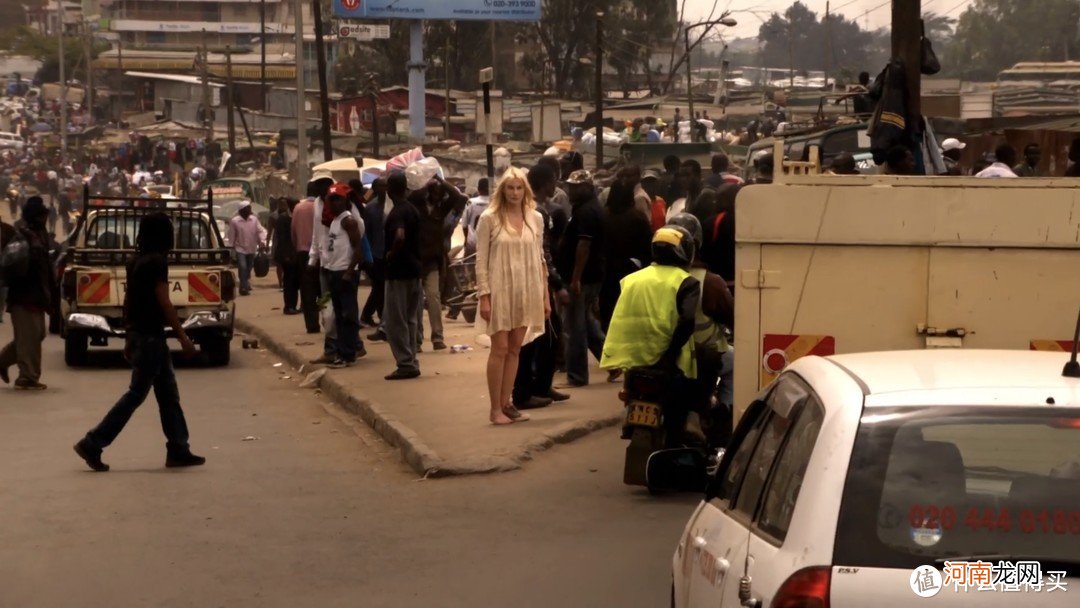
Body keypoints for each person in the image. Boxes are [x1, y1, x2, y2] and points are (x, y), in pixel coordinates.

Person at [73, 213, 205, 472]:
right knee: (137, 394)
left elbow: (128, 301)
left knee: (168, 394)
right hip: (152, 337)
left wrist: (128, 336)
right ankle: (93, 442)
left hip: (142, 334)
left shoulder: (136, 261)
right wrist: (183, 337)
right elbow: (164, 302)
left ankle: (179, 447)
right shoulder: (157, 262)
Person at [600, 225, 701, 439]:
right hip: (669, 362)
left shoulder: (631, 280)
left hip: (633, 360)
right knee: (681, 415)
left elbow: (616, 316)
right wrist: (669, 354)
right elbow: (687, 322)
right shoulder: (686, 282)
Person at [476, 167, 549, 425]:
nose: (515, 193)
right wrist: (484, 296)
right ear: (502, 190)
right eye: (510, 188)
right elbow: (481, 261)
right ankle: (494, 409)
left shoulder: (535, 218)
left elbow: (540, 259)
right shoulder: (489, 218)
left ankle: (507, 403)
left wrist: (545, 296)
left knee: (516, 348)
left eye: (519, 188)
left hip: (527, 288)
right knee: (500, 348)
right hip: (499, 289)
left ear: (525, 190)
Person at [667, 213, 735, 436]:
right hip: (701, 357)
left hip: (656, 355)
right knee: (735, 362)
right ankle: (724, 415)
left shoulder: (647, 278)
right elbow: (732, 317)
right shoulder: (710, 282)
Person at [512, 164, 570, 410]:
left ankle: (540, 386)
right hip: (536, 282)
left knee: (545, 335)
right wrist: (557, 284)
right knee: (537, 338)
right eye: (553, 180)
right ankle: (526, 393)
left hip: (531, 280)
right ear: (546, 182)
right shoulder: (536, 213)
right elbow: (542, 254)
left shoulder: (528, 209)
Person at [557, 170, 606, 387]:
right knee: (586, 321)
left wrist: (575, 278)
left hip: (583, 278)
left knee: (574, 327)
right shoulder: (585, 208)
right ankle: (613, 362)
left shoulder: (587, 211)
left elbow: (584, 245)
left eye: (576, 187)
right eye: (570, 186)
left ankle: (577, 376)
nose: (571, 190)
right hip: (589, 275)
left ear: (587, 187)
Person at [308, 178, 364, 365]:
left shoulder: (349, 220)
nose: (331, 202)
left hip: (344, 272)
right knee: (332, 311)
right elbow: (318, 237)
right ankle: (337, 350)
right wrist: (314, 259)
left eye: (336, 199)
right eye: (330, 199)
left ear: (344, 200)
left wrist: (349, 271)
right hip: (329, 270)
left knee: (347, 314)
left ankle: (348, 351)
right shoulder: (328, 217)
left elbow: (358, 248)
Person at [0, 197, 52, 390]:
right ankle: (27, 377)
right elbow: (14, 268)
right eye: (42, 215)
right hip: (24, 297)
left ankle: (3, 361)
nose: (45, 218)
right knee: (29, 336)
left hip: (36, 295)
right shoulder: (24, 237)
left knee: (36, 335)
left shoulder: (39, 236)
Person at [415, 176, 467, 351]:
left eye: (441, 193)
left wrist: (439, 179)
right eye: (435, 192)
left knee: (433, 298)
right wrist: (426, 184)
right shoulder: (417, 206)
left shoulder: (441, 210)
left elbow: (457, 196)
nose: (439, 196)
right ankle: (417, 339)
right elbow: (413, 195)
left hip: (432, 261)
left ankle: (437, 337)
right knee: (415, 301)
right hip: (415, 260)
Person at [382, 172, 423, 380]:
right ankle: (411, 360)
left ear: (390, 189)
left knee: (395, 321)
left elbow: (399, 236)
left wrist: (391, 253)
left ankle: (405, 363)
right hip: (415, 270)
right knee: (410, 319)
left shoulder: (398, 212)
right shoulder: (413, 210)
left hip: (398, 272)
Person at [599, 180, 652, 335]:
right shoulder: (638, 217)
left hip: (607, 273)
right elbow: (647, 249)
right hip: (633, 272)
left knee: (609, 315)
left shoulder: (604, 217)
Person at [291, 181, 320, 333]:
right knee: (323, 288)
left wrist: (297, 248)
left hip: (303, 253)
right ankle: (326, 316)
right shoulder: (321, 207)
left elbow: (293, 232)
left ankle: (311, 324)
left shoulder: (298, 208)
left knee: (307, 289)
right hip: (321, 253)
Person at [361, 178, 390, 329]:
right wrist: (368, 255)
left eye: (386, 186)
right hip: (375, 254)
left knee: (382, 287)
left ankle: (380, 315)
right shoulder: (370, 208)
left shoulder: (391, 205)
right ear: (375, 189)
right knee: (379, 286)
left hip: (388, 252)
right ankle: (366, 314)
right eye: (381, 186)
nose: (384, 189)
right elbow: (366, 233)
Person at [226, 200, 267, 296]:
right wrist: (231, 247)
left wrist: (262, 241)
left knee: (248, 268)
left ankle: (245, 282)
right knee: (243, 267)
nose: (250, 210)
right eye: (248, 208)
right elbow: (231, 235)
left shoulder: (254, 219)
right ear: (242, 210)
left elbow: (260, 231)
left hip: (252, 248)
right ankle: (243, 288)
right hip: (240, 248)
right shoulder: (235, 221)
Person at [268, 197, 298, 314]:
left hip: (292, 254)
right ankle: (289, 306)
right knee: (289, 281)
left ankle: (292, 305)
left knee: (293, 281)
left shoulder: (291, 217)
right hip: (287, 255)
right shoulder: (283, 219)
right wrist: (286, 255)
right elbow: (282, 238)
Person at [460, 177, 490, 258]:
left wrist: (466, 240)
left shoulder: (471, 202)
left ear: (478, 189)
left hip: (473, 242)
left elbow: (464, 225)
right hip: (490, 242)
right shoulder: (495, 203)